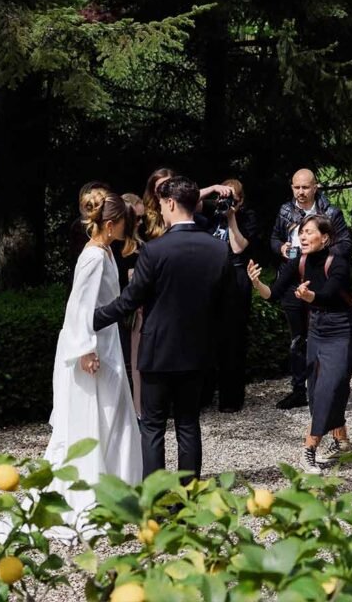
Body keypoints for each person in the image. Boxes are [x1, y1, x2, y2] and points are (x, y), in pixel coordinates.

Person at [93, 176, 236, 479]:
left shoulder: (155, 251)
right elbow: (227, 306)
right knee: (188, 424)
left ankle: (155, 500)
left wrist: (91, 320)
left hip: (158, 350)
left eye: (160, 204)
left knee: (153, 427)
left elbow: (130, 300)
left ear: (171, 203)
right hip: (198, 351)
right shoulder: (218, 250)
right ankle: (187, 498)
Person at [46, 189, 142, 525]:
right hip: (93, 347)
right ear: (112, 224)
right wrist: (85, 349)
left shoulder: (105, 252)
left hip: (107, 340)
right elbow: (78, 307)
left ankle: (114, 490)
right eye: (125, 226)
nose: (127, 232)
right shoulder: (94, 256)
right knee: (97, 417)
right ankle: (91, 495)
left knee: (113, 414)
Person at [249, 215, 352, 473]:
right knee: (317, 390)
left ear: (325, 237)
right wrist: (257, 283)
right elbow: (273, 294)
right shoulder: (300, 261)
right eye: (301, 233)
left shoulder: (338, 262)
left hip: (341, 330)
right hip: (317, 330)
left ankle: (308, 450)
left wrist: (310, 296)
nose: (303, 237)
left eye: (309, 232)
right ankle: (341, 440)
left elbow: (329, 294)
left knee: (328, 389)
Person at [270, 169, 352, 410]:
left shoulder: (330, 212)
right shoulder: (285, 210)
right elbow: (273, 238)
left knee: (322, 336)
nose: (301, 192)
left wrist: (318, 254)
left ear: (315, 187)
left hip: (320, 282)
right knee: (297, 339)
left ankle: (324, 386)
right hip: (292, 280)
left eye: (305, 187)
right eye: (296, 188)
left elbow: (345, 244)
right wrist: (281, 248)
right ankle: (298, 389)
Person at [203, 177, 259, 412]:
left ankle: (231, 398)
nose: (227, 202)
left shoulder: (247, 216)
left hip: (236, 277)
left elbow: (238, 247)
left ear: (241, 200)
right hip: (210, 278)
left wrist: (231, 216)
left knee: (233, 341)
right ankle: (205, 395)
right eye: (224, 198)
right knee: (207, 339)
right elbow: (181, 199)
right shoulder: (208, 214)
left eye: (233, 199)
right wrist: (213, 191)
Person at [142, 166, 232, 241]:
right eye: (160, 187)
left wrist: (215, 190)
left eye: (169, 185)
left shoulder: (184, 204)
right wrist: (212, 188)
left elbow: (191, 199)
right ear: (153, 191)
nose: (165, 190)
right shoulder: (145, 213)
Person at [121, 192, 145, 417]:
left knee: (137, 364)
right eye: (136, 218)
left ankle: (139, 412)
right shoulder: (116, 248)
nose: (140, 222)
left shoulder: (141, 244)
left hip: (138, 312)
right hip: (121, 312)